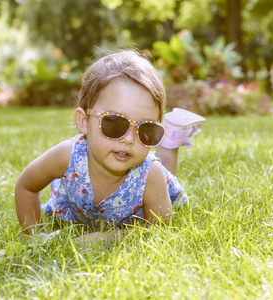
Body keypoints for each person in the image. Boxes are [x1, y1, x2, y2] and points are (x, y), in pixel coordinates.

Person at [15, 50, 205, 244]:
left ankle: (169, 142)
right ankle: (166, 135)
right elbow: (26, 187)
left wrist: (110, 237)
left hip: (154, 184)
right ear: (84, 122)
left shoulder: (151, 175)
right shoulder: (67, 155)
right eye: (115, 124)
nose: (129, 139)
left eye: (147, 130)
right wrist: (36, 240)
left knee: (162, 169)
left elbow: (159, 229)